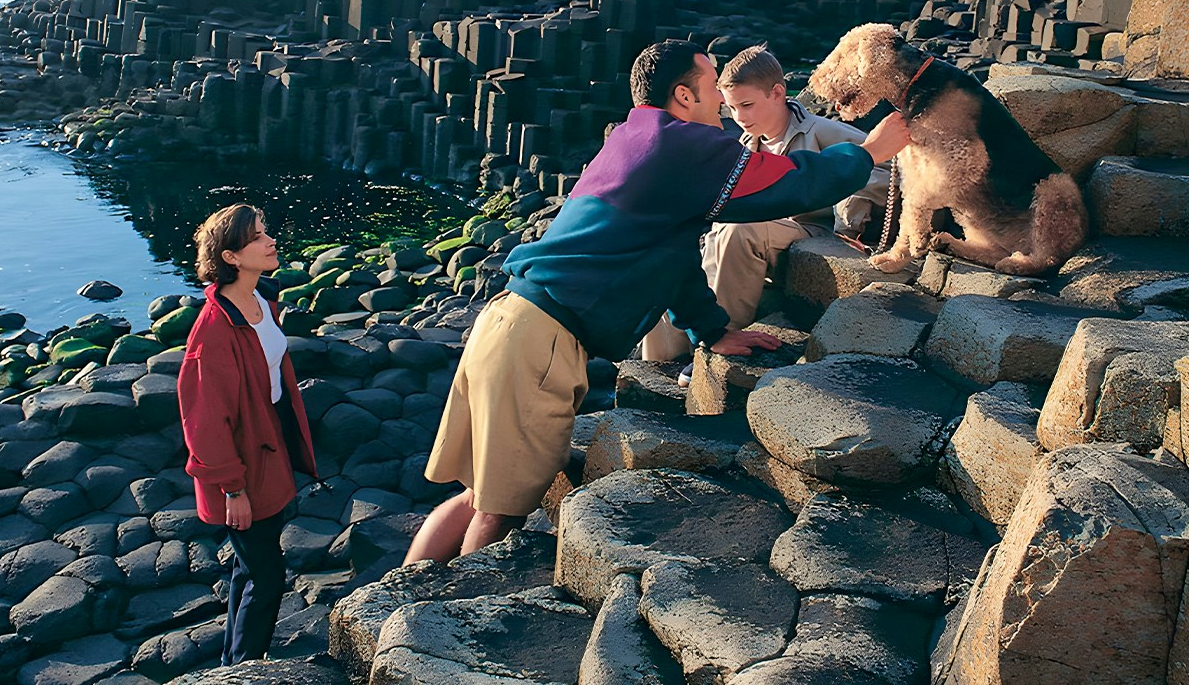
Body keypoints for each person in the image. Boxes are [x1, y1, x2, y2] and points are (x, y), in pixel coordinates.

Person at [402, 40, 911, 564]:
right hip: (540, 343)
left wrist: (712, 330)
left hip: (508, 323)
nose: (723, 104)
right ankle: (448, 613)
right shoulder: (684, 146)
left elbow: (670, 258)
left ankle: (404, 594)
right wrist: (868, 153)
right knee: (501, 510)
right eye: (714, 89)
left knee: (474, 495)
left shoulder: (633, 137)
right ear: (684, 95)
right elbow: (789, 186)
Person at [640, 45, 892, 370]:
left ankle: (720, 342)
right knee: (676, 265)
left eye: (747, 105)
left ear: (777, 93)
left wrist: (849, 221)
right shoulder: (744, 144)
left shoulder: (821, 131)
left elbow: (883, 172)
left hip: (810, 232)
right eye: (730, 108)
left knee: (738, 229)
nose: (739, 118)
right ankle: (659, 367)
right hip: (764, 234)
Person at [177, 204, 318, 666]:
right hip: (242, 465)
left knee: (250, 566)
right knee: (268, 574)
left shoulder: (262, 302)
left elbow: (270, 382)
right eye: (258, 237)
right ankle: (247, 667)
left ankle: (233, 664)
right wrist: (232, 489)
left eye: (266, 231)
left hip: (268, 445)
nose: (270, 240)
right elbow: (204, 420)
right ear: (232, 257)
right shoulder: (213, 329)